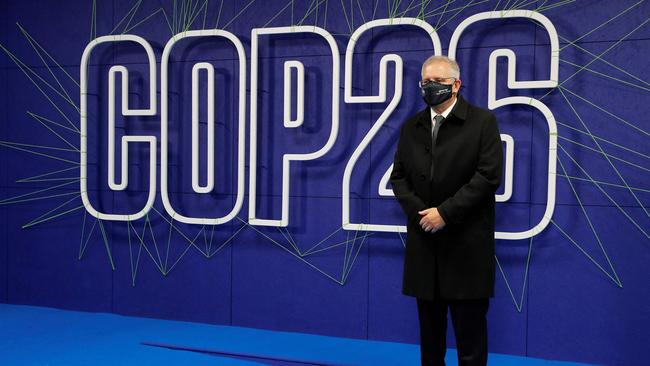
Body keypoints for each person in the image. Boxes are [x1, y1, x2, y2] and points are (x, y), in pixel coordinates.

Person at [389, 55, 503, 366]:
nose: (431, 87)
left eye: (438, 81)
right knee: (430, 344)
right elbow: (398, 178)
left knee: (470, 345)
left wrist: (445, 214)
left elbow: (488, 176)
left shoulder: (483, 122)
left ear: (456, 84)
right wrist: (422, 214)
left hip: (466, 249)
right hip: (425, 249)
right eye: (426, 81)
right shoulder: (411, 126)